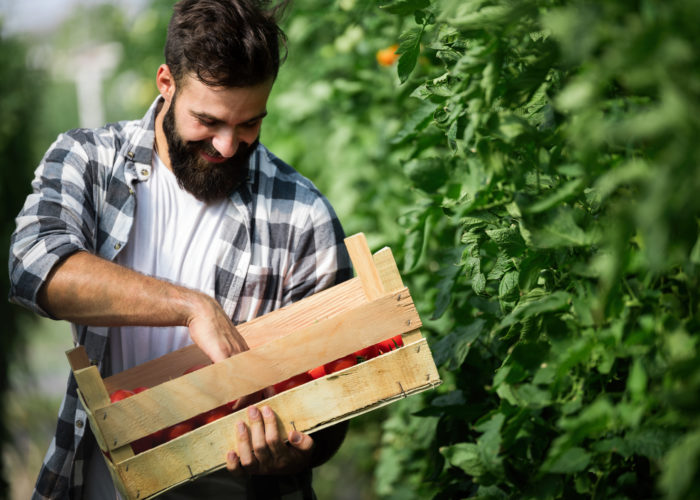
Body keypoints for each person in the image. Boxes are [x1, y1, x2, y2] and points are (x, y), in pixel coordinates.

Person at [8, 0, 353, 498]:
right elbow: (31, 266)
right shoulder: (89, 161)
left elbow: (335, 400)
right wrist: (191, 308)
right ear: (166, 83)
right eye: (208, 121)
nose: (228, 145)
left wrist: (290, 454)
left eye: (250, 124)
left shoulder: (301, 215)